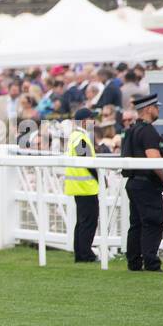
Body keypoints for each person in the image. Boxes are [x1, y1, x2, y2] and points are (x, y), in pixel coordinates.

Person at [121, 93, 163, 272]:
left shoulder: (132, 130)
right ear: (149, 109)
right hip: (146, 184)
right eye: (156, 107)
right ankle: (151, 263)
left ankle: (134, 262)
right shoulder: (148, 131)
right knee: (153, 221)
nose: (158, 110)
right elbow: (154, 159)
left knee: (136, 224)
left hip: (133, 183)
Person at [64, 108, 100, 263]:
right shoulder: (80, 137)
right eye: (92, 119)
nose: (94, 122)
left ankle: (81, 253)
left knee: (82, 222)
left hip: (78, 186)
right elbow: (87, 161)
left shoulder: (75, 136)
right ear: (85, 121)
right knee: (88, 222)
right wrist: (100, 176)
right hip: (86, 186)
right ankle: (85, 254)